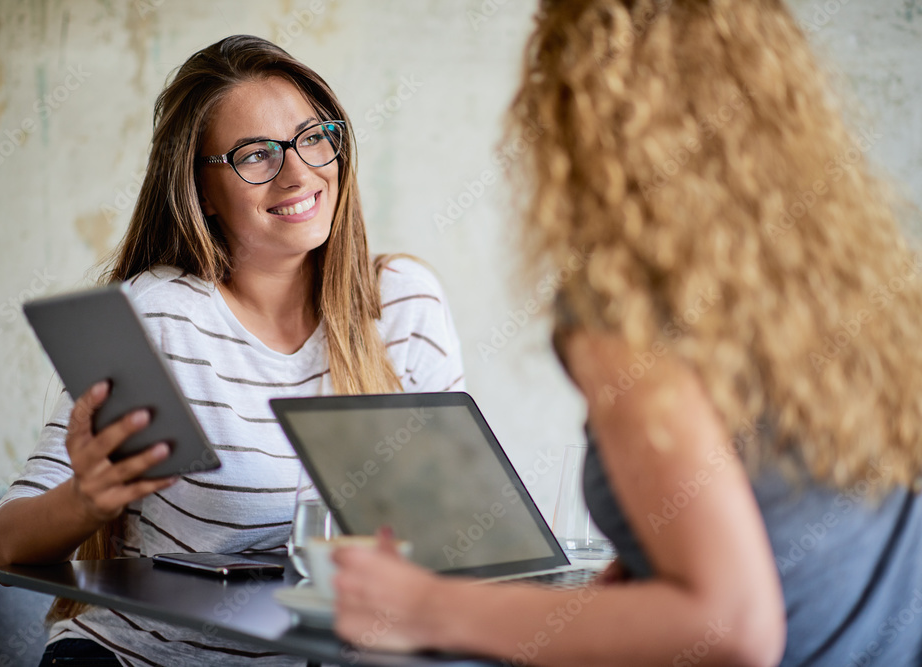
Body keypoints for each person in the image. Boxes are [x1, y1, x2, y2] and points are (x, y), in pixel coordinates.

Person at [331, 1, 922, 665]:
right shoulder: (854, 272)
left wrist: (422, 605)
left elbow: (732, 625)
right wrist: (650, 577)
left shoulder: (624, 307)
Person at [0, 35, 464, 667]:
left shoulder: (405, 304)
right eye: (255, 155)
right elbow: (6, 547)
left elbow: (455, 531)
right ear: (200, 190)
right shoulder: (159, 314)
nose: (299, 172)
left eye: (314, 137)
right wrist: (86, 501)